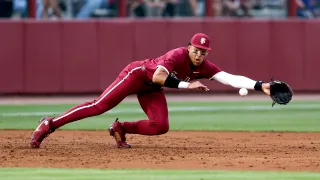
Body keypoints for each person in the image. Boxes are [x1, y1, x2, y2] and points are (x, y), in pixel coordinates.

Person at [30, 33, 271, 149]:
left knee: (160, 126)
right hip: (136, 76)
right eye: (196, 49)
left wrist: (261, 85)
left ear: (208, 54)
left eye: (203, 52)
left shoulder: (205, 66)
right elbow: (158, 76)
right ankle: (49, 124)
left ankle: (120, 128)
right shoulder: (175, 56)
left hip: (152, 89)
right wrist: (188, 85)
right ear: (189, 48)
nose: (199, 54)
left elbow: (229, 79)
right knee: (99, 106)